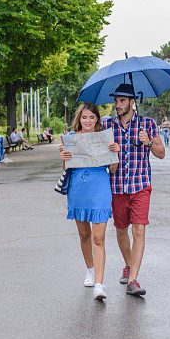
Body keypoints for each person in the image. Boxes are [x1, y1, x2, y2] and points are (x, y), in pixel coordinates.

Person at [102, 83, 165, 296]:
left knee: (139, 229)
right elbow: (101, 158)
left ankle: (133, 279)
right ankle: (128, 264)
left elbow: (161, 153)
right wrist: (111, 153)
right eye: (116, 100)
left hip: (140, 185)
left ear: (132, 102)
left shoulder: (148, 124)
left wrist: (148, 143)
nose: (117, 105)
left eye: (121, 101)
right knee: (121, 230)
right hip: (117, 186)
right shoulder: (107, 126)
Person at [59, 103, 118, 300]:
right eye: (85, 117)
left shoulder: (104, 137)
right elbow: (67, 165)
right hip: (78, 188)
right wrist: (64, 156)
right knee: (84, 235)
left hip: (100, 187)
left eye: (92, 118)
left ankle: (99, 285)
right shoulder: (71, 137)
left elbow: (113, 168)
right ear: (79, 118)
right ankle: (90, 270)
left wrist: (114, 152)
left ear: (97, 120)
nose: (88, 121)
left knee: (98, 238)